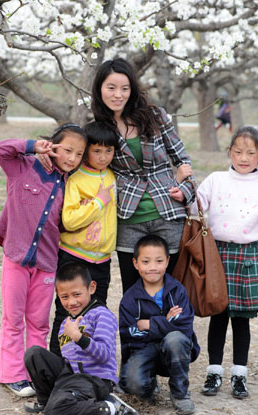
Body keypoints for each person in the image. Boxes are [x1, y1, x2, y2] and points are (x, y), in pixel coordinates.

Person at [195, 126, 258, 400]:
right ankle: (214, 372)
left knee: (241, 321)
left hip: (249, 257)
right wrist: (182, 191)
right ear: (229, 152)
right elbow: (197, 204)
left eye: (250, 153)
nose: (243, 157)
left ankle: (239, 375)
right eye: (238, 151)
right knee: (218, 317)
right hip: (218, 254)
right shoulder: (216, 179)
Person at [0, 125, 87, 396]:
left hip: (46, 262)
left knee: (38, 321)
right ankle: (11, 374)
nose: (71, 158)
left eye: (78, 154)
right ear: (53, 145)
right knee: (13, 318)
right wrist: (33, 145)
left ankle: (35, 372)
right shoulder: (23, 167)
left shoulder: (71, 183)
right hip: (17, 257)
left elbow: (65, 223)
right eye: (67, 150)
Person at [90, 57, 194, 295]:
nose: (118, 95)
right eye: (111, 88)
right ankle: (135, 334)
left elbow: (182, 160)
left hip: (168, 212)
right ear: (100, 90)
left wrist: (185, 189)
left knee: (171, 291)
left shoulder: (155, 116)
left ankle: (169, 333)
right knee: (133, 292)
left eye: (125, 88)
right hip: (128, 218)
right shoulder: (99, 129)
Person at [24, 263, 138, 415]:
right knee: (34, 354)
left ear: (91, 288)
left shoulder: (102, 315)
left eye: (76, 294)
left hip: (95, 379)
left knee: (56, 410)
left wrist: (79, 337)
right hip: (71, 377)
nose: (71, 302)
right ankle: (46, 402)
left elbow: (104, 355)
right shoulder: (66, 322)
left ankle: (110, 407)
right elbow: (68, 358)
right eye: (64, 297)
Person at [48, 121, 118, 356]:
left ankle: (89, 366)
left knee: (97, 313)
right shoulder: (76, 179)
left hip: (102, 261)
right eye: (96, 150)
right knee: (67, 312)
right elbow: (69, 220)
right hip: (74, 257)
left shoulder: (111, 176)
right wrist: (98, 202)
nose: (103, 157)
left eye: (109, 151)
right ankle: (59, 365)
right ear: (87, 150)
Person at [119, 235, 199, 415]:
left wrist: (148, 324)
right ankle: (149, 384)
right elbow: (129, 333)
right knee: (132, 384)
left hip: (172, 350)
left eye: (159, 261)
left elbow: (184, 327)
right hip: (143, 350)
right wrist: (167, 322)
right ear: (135, 263)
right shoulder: (130, 298)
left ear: (167, 261)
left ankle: (180, 393)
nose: (152, 267)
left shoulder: (177, 291)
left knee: (175, 339)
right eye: (146, 261)